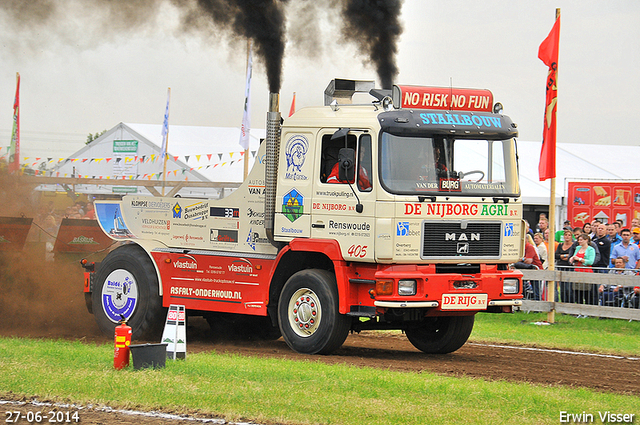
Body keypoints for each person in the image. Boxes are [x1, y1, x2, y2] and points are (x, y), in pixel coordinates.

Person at [570, 233, 596, 304]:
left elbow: (590, 261)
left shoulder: (591, 249)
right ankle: (579, 309)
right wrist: (572, 259)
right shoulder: (578, 248)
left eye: (581, 240)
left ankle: (587, 310)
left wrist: (580, 259)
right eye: (578, 240)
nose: (579, 241)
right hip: (577, 271)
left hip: (586, 272)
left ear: (586, 240)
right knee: (577, 293)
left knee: (587, 292)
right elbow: (574, 256)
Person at [555, 229, 574, 303]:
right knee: (562, 288)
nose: (567, 237)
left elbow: (572, 256)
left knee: (568, 288)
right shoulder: (560, 245)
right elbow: (556, 255)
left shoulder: (573, 245)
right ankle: (563, 303)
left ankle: (570, 304)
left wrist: (564, 256)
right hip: (561, 267)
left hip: (569, 268)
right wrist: (565, 256)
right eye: (565, 235)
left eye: (569, 235)